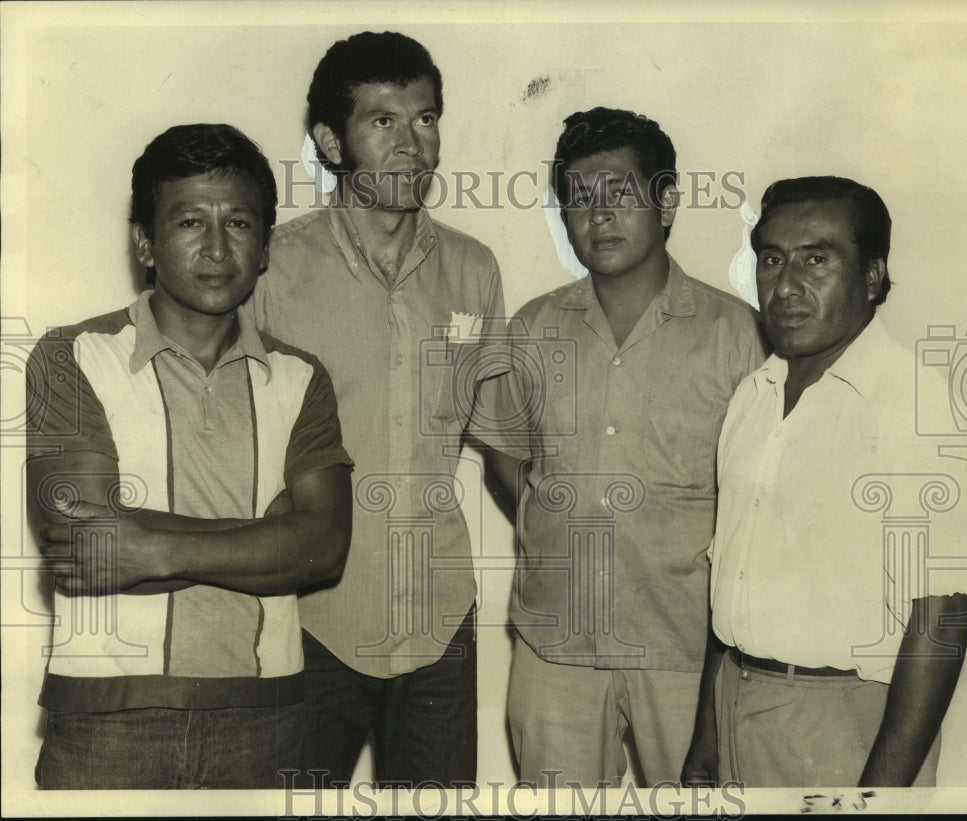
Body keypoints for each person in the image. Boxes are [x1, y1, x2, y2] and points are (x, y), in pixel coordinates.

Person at [25, 123, 354, 789]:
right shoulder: (73, 356)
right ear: (145, 242)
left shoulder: (300, 377)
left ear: (264, 247)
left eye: (238, 222)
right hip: (106, 725)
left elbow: (325, 546)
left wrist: (151, 545)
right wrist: (269, 537)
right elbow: (85, 543)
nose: (215, 247)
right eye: (188, 221)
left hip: (270, 720)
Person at [471, 107, 766, 787]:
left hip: (688, 645)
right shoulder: (533, 327)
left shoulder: (737, 336)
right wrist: (552, 522)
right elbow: (504, 452)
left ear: (666, 202)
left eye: (619, 194)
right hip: (555, 648)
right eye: (579, 199)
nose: (598, 215)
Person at [253, 31, 505, 787]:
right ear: (332, 142)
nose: (411, 145)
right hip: (307, 621)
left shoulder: (473, 267)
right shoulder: (272, 266)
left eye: (424, 119)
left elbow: (497, 435)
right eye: (382, 122)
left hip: (438, 617)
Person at [681, 176, 967, 788]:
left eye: (817, 259)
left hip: (846, 723)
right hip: (736, 700)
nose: (786, 286)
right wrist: (708, 735)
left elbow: (940, 619)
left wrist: (878, 797)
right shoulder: (753, 394)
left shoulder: (916, 405)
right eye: (771, 259)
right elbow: (732, 572)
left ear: (872, 275)